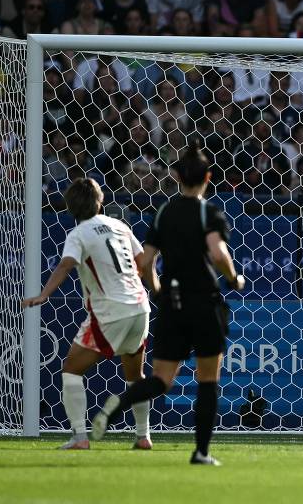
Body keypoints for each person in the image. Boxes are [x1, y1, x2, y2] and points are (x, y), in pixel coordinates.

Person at [90, 142, 246, 466]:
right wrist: (233, 278)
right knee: (207, 380)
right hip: (204, 302)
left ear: (175, 177)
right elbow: (217, 253)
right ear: (208, 177)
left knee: (160, 380)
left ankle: (120, 402)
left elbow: (145, 261)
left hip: (172, 305)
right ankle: (201, 453)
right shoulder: (209, 213)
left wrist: (159, 291)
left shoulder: (164, 212)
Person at [21, 178, 157, 450]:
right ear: (101, 200)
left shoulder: (79, 234)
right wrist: (156, 287)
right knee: (135, 375)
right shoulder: (120, 225)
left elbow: (65, 265)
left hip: (111, 311)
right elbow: (144, 261)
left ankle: (80, 438)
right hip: (140, 306)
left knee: (71, 368)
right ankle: (143, 436)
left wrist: (44, 294)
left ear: (69, 208)